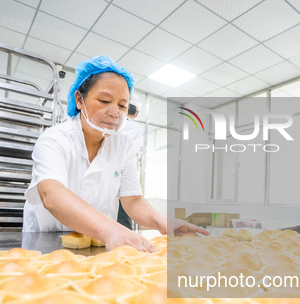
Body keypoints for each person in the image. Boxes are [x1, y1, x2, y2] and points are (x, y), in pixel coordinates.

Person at [23, 55, 207, 252]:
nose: (114, 112)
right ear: (79, 99)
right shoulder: (55, 139)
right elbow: (52, 194)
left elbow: (133, 201)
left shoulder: (123, 145)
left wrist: (162, 222)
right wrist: (112, 230)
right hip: (47, 242)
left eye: (122, 105)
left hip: (99, 243)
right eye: (104, 100)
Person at [117, 93, 142, 230]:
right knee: (123, 224)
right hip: (122, 182)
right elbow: (133, 156)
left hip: (113, 181)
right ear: (136, 113)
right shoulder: (134, 127)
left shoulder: (111, 125)